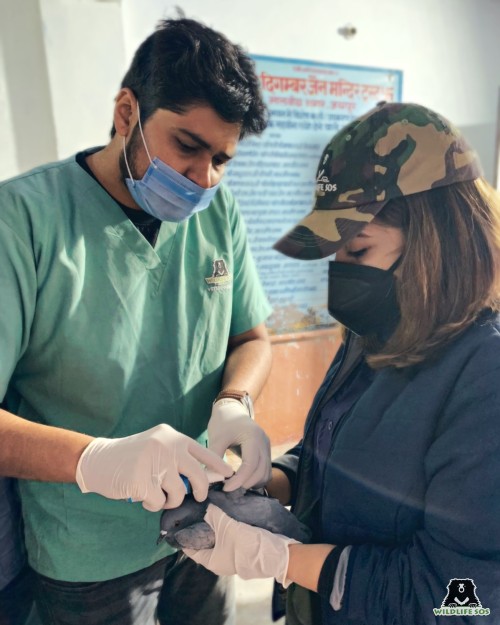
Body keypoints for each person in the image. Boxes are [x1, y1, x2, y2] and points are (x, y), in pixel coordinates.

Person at [0, 17, 273, 625]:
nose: (204, 179)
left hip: (205, 524)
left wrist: (236, 402)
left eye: (223, 159)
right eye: (188, 146)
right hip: (89, 552)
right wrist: (99, 460)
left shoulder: (215, 211)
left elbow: (251, 336)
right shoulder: (22, 222)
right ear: (127, 112)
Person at [184, 101, 500, 624]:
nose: (340, 273)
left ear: (435, 246)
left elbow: (464, 599)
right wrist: (267, 482)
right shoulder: (379, 328)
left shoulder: (483, 375)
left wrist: (287, 559)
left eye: (356, 250)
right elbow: (347, 452)